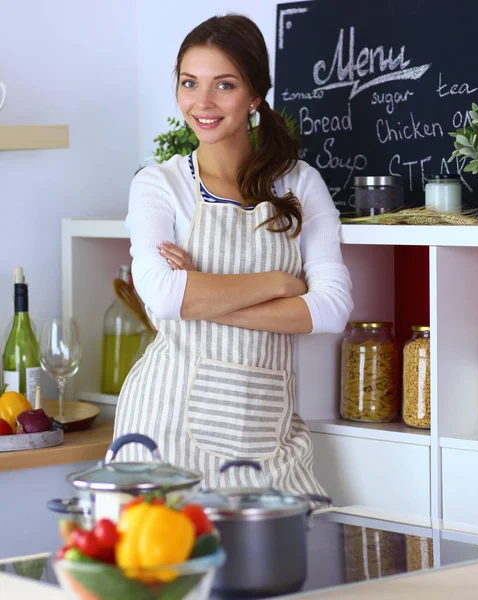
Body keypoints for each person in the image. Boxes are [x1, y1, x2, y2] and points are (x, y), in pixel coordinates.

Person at [113, 13, 353, 495]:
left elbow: (331, 310)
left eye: (224, 85)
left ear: (255, 96)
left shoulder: (300, 182)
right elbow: (162, 296)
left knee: (294, 564)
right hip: (164, 426)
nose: (202, 102)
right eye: (189, 83)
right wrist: (281, 285)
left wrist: (203, 296)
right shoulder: (160, 185)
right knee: (166, 568)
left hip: (266, 432)